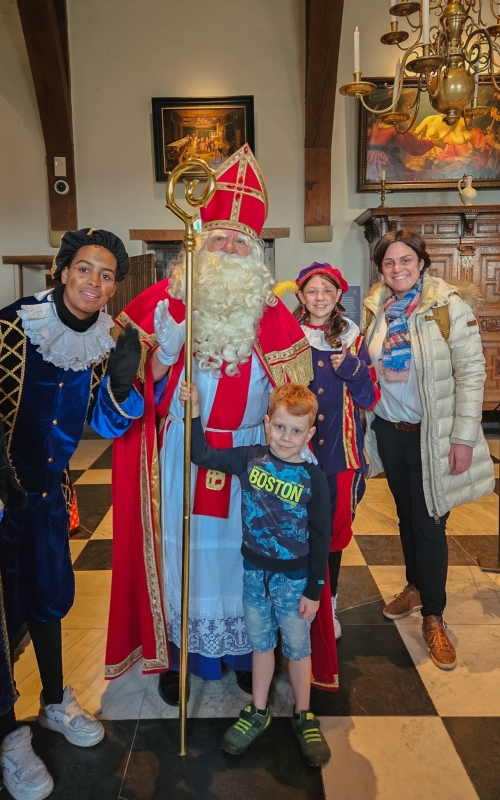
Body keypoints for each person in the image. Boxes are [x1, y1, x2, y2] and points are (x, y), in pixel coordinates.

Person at [106, 144, 339, 704]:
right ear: (201, 240)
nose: (230, 247)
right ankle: (180, 658)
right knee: (182, 552)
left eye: (241, 240)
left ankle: (243, 652)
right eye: (220, 237)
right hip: (184, 453)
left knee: (247, 554)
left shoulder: (274, 313)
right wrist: (164, 353)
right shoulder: (168, 299)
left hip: (253, 458)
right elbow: (136, 388)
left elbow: (296, 396)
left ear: (254, 252)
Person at [0, 228, 143, 800]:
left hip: (48, 493)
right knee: (2, 614)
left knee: (49, 596)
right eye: (85, 269)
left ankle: (54, 699)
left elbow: (103, 425)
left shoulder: (103, 340)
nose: (95, 282)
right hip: (2, 490)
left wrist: (124, 378)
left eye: (107, 275)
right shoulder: (15, 324)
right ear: (63, 273)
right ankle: (9, 736)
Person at [180, 379, 332, 767]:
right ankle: (259, 709)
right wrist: (195, 409)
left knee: (297, 648)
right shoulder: (249, 458)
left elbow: (321, 536)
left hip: (295, 579)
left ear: (309, 434)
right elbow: (201, 455)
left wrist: (314, 589)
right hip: (254, 575)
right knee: (261, 644)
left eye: (296, 431)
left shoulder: (314, 479)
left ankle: (303, 714)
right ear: (267, 423)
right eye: (279, 427)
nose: (286, 437)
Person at [362, 229, 495, 669]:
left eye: (405, 260)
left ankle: (434, 616)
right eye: (388, 263)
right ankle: (415, 587)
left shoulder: (447, 307)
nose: (397, 269)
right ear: (380, 268)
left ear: (421, 263)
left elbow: (472, 374)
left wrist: (462, 437)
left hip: (432, 433)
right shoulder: (376, 308)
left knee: (431, 520)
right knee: (406, 514)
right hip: (390, 429)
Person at [277, 263, 380, 639]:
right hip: (294, 455)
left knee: (333, 533)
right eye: (312, 291)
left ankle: (328, 601)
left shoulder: (353, 339)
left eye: (327, 291)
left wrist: (354, 369)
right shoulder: (289, 337)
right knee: (293, 531)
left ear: (338, 296)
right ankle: (291, 603)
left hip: (340, 456)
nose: (319, 298)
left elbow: (369, 399)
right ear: (301, 297)